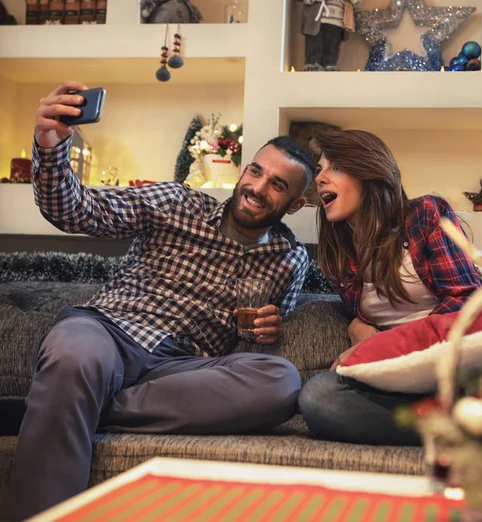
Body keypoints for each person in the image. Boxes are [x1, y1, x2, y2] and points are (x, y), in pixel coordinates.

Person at [9, 81, 316, 520]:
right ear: (245, 169)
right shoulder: (176, 203)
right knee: (76, 356)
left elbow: (254, 335)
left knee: (281, 381)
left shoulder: (288, 260)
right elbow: (74, 211)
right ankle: (72, 394)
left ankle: (71, 401)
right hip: (108, 333)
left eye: (277, 185)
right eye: (255, 172)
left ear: (294, 204)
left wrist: (267, 328)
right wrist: (50, 146)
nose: (257, 187)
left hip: (182, 369)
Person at [298, 129, 482, 446]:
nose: (320, 178)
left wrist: (378, 342)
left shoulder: (424, 214)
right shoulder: (337, 252)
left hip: (465, 358)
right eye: (319, 169)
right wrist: (362, 329)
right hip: (405, 374)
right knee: (320, 396)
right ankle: (469, 426)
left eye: (336, 167)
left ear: (371, 172)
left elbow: (471, 303)